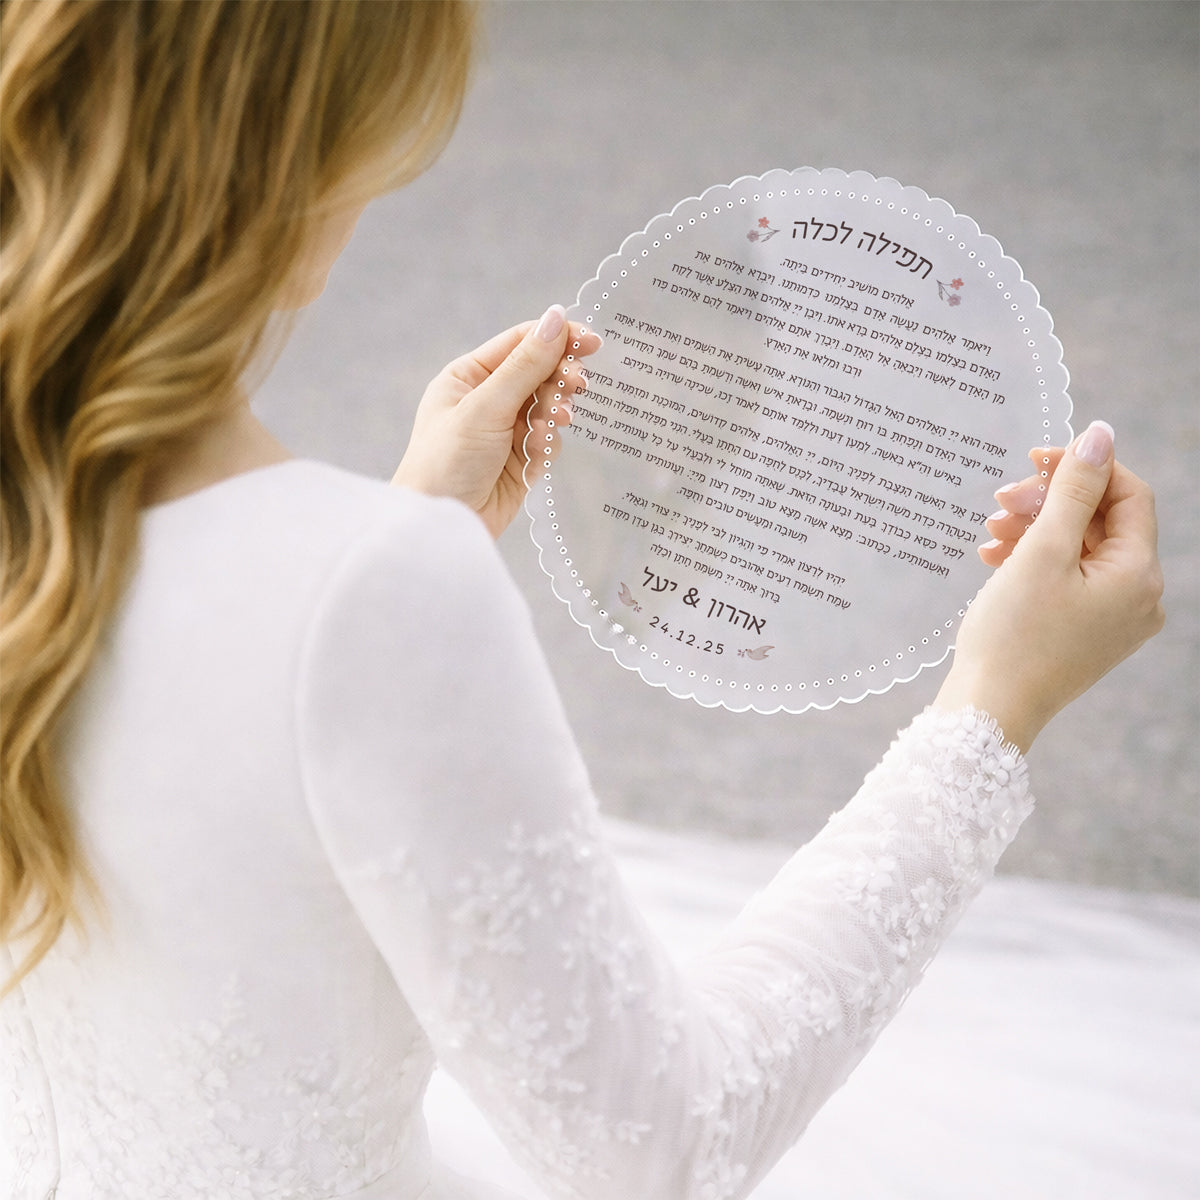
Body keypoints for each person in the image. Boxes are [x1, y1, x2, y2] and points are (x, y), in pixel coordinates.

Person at [0, 2, 1164, 1198]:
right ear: (293, 167)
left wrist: (406, 527)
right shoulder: (374, 596)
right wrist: (996, 705)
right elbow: (666, 1145)